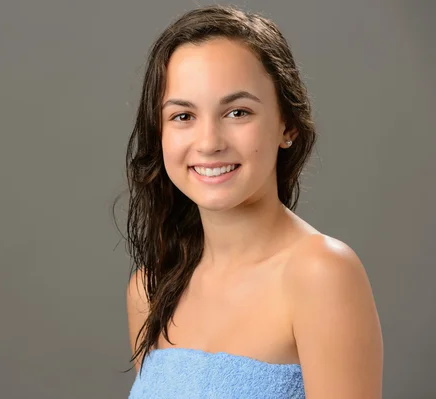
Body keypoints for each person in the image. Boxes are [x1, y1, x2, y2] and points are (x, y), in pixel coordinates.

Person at [120, 4, 383, 398]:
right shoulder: (150, 288)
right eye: (183, 116)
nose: (209, 143)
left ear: (287, 124)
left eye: (237, 112)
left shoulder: (320, 274)